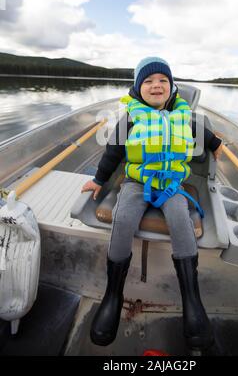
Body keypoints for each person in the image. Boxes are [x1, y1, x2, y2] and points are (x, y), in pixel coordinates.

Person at [81, 57, 223, 351]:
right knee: (122, 220)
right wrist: (98, 180)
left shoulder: (186, 117)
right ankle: (113, 294)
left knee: (181, 220)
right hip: (136, 182)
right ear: (137, 88)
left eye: (163, 80)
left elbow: (206, 136)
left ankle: (192, 300)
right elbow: (112, 153)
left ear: (172, 88)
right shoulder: (129, 118)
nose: (156, 85)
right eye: (148, 81)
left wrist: (217, 145)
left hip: (172, 183)